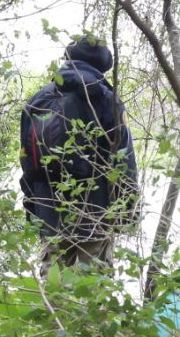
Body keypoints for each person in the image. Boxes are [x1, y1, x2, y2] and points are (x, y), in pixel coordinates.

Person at [19, 36, 138, 272]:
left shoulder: (38, 99)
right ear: (104, 65)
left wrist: (33, 208)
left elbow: (25, 159)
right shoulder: (106, 99)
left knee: (52, 287)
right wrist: (127, 210)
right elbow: (124, 159)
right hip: (94, 212)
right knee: (94, 290)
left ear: (68, 57)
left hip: (48, 209)